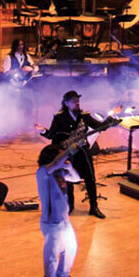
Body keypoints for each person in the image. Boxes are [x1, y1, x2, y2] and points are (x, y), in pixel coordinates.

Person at [41, 91, 107, 219]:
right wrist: (43, 131)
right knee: (68, 179)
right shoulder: (59, 117)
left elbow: (99, 126)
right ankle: (70, 205)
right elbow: (51, 135)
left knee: (90, 178)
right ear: (66, 103)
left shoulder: (84, 116)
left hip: (83, 152)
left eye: (78, 100)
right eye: (73, 101)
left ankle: (94, 206)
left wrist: (109, 120)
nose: (77, 103)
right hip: (68, 153)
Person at [36, 143, 82, 277]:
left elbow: (76, 179)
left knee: (70, 248)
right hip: (52, 223)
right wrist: (68, 151)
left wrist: (69, 167)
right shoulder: (43, 172)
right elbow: (56, 163)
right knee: (51, 256)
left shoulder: (59, 173)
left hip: (64, 221)